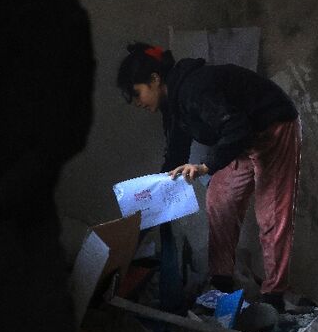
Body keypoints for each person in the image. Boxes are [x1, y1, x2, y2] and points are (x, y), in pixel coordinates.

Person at [116, 42, 302, 312]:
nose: (138, 103)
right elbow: (175, 156)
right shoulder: (172, 105)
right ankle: (221, 285)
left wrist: (205, 166)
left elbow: (236, 126)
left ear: (155, 80)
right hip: (242, 139)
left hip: (272, 127)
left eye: (137, 94)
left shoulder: (194, 88)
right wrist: (145, 211)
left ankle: (274, 298)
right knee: (219, 199)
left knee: (271, 214)